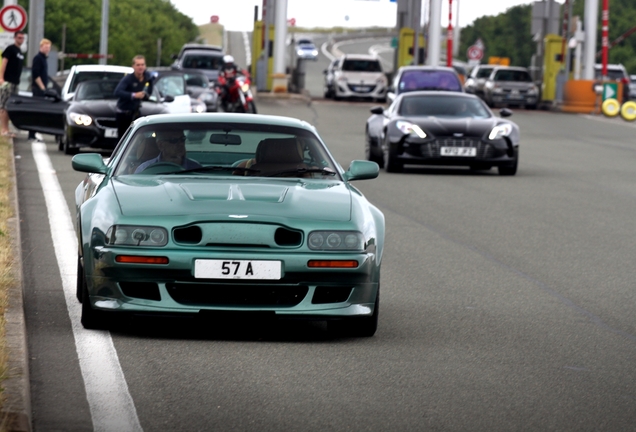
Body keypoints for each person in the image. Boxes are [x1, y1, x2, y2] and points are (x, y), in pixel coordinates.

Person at [114, 55, 154, 139]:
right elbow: (117, 92)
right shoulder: (128, 79)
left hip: (135, 112)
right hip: (123, 112)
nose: (140, 67)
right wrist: (134, 95)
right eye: (138, 65)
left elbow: (149, 91)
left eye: (142, 65)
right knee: (122, 138)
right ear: (133, 66)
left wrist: (147, 93)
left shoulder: (147, 77)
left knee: (137, 138)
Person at [134, 130, 201, 173]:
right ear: (160, 145)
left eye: (182, 139)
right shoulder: (145, 169)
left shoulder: (196, 168)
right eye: (174, 140)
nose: (180, 144)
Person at [0, 31, 26, 138]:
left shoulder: (20, 51)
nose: (21, 39)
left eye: (22, 38)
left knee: (11, 106)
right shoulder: (10, 49)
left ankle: (8, 128)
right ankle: (3, 129)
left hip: (16, 82)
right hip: (8, 81)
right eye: (19, 38)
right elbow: (4, 63)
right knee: (4, 105)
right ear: (15, 38)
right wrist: (1, 78)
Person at [28, 38, 52, 140]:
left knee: (38, 112)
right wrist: (42, 88)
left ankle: (34, 133)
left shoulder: (44, 59)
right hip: (38, 89)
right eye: (45, 47)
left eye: (48, 48)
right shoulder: (38, 58)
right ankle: (31, 134)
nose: (47, 49)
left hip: (40, 89)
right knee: (35, 112)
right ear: (41, 47)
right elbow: (36, 74)